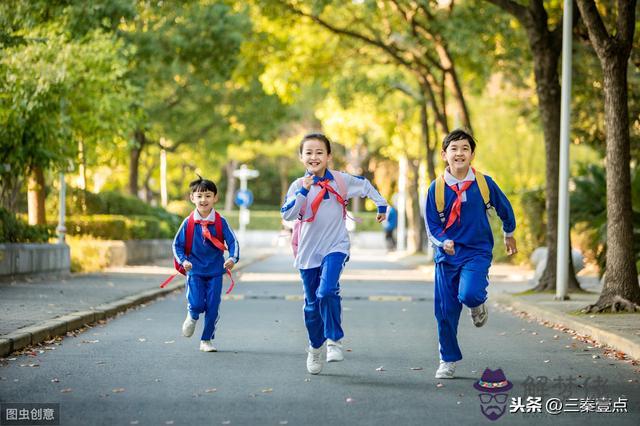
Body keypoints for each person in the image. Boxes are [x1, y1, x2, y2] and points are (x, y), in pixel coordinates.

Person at [281, 133, 388, 374]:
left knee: (327, 290)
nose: (314, 157)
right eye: (308, 152)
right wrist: (302, 193)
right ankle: (315, 348)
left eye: (320, 152)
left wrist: (381, 205)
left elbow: (365, 185)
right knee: (311, 304)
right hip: (308, 251)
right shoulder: (298, 185)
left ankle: (334, 341)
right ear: (301, 157)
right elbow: (287, 215)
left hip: (335, 246)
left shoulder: (341, 180)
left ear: (328, 156)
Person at [424, 129, 517, 379]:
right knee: (445, 311)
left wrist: (509, 232)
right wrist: (443, 243)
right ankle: (448, 359)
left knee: (470, 293)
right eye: (454, 149)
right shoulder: (436, 189)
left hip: (477, 251)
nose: (459, 153)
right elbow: (431, 225)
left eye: (465, 148)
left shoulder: (484, 183)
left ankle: (477, 304)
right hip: (446, 256)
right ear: (445, 155)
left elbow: (504, 207)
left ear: (472, 154)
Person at [173, 176, 239, 352]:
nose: (204, 200)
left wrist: (232, 258)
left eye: (208, 195)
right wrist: (183, 261)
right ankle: (192, 316)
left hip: (216, 271)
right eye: (199, 196)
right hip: (194, 271)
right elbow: (176, 245)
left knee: (212, 306)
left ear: (215, 198)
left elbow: (233, 242)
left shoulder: (220, 222)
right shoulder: (188, 223)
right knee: (196, 304)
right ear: (192, 198)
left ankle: (206, 340)